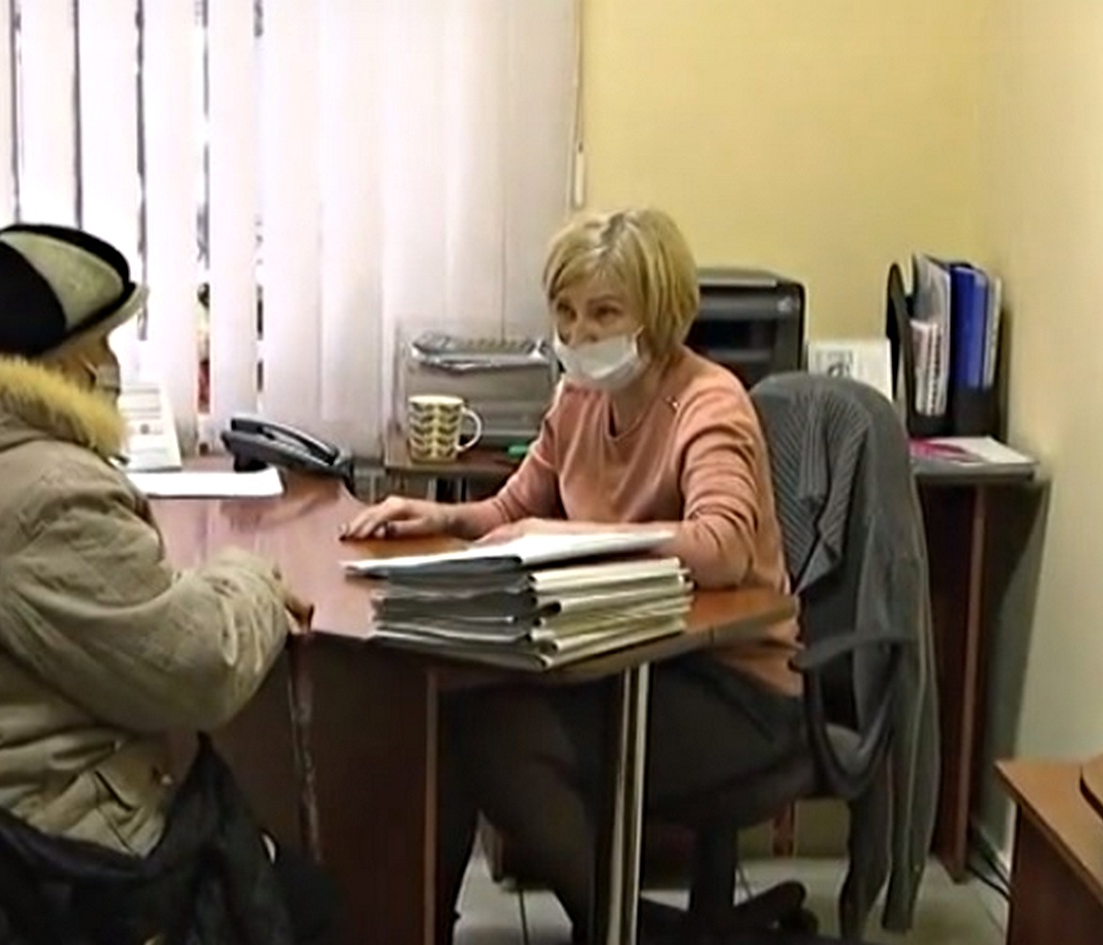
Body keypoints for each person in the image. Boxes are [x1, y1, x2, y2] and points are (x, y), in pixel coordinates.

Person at [0, 224, 319, 940]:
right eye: (100, 345)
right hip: (8, 871)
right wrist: (251, 580)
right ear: (51, 363)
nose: (110, 367)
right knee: (300, 894)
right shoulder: (44, 494)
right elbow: (201, 669)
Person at [342, 208, 805, 943]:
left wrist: (567, 536)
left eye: (604, 313)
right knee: (445, 710)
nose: (579, 333)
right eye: (566, 311)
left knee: (499, 738)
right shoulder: (579, 397)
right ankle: (433, 927)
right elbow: (514, 508)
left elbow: (723, 547)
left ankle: (618, 926)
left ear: (657, 314)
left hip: (729, 686)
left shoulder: (710, 403)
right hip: (624, 660)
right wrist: (436, 515)